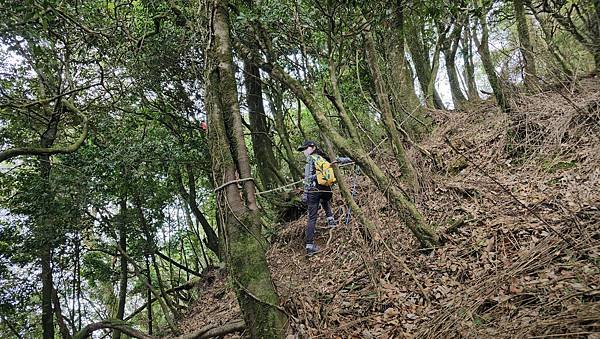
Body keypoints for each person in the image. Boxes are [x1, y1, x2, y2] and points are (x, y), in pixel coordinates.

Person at [297, 140, 352, 256]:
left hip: (313, 191)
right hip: (325, 190)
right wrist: (352, 159)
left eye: (305, 149)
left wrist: (305, 194)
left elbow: (308, 178)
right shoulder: (324, 157)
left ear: (312, 147)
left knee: (312, 218)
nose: (304, 152)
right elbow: (337, 160)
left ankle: (309, 245)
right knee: (324, 199)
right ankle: (331, 220)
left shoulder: (311, 159)